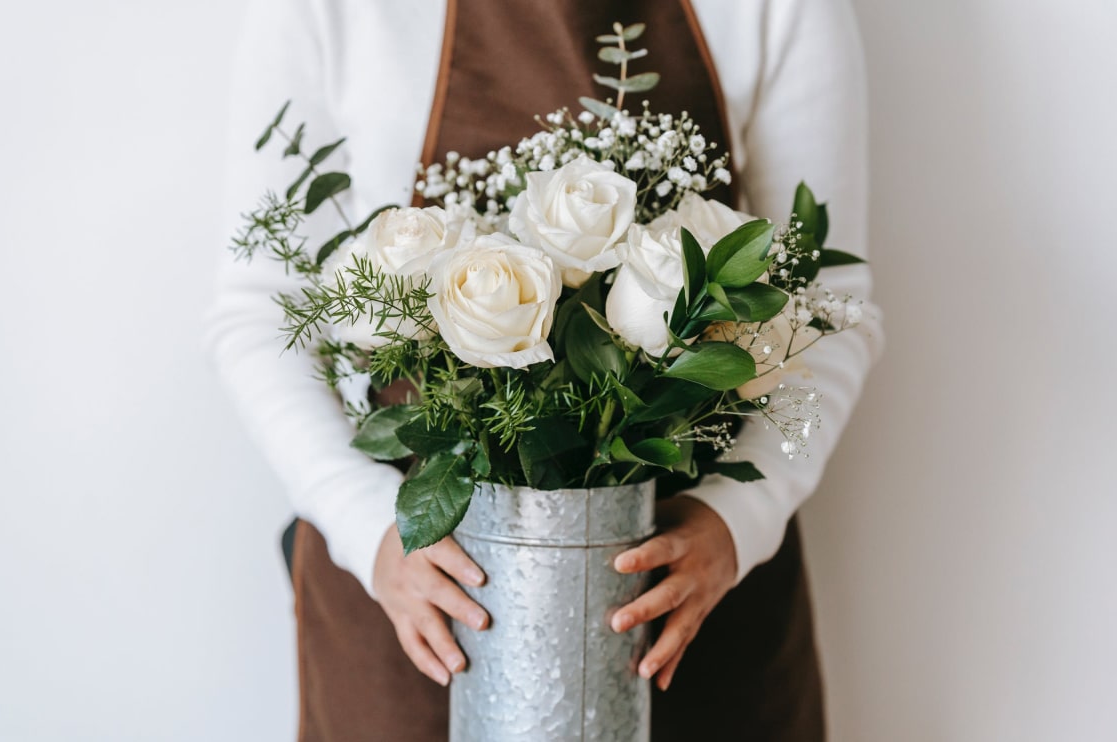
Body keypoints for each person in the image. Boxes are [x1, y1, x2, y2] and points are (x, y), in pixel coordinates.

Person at [206, 0, 884, 739]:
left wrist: (737, 520)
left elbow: (828, 308)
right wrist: (363, 523)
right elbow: (262, 312)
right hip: (416, 592)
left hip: (690, 586)